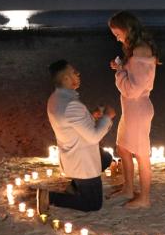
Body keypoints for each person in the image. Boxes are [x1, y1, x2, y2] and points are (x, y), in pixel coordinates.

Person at [38, 59, 116, 213]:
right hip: (83, 163)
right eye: (74, 72)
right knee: (92, 204)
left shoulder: (55, 98)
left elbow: (71, 124)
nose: (78, 74)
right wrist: (107, 117)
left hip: (71, 155)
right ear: (66, 78)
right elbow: (93, 137)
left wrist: (91, 116)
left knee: (106, 158)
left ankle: (75, 186)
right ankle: (49, 197)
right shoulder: (71, 105)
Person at [108, 11, 160, 209]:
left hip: (138, 108)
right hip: (131, 109)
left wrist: (119, 72)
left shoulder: (140, 51)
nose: (116, 37)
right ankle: (129, 188)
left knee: (141, 154)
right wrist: (121, 66)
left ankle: (144, 198)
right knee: (122, 147)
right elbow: (135, 77)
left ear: (127, 29)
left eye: (117, 33)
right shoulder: (135, 49)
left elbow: (132, 89)